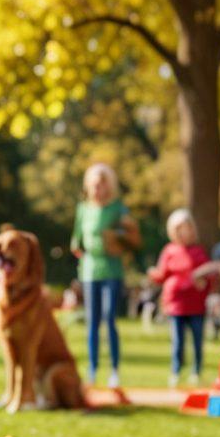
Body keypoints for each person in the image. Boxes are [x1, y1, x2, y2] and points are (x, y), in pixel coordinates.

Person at [70, 163, 140, 388]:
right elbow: (76, 239)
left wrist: (118, 236)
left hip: (112, 270)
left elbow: (132, 236)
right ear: (88, 186)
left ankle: (114, 371)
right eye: (94, 185)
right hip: (90, 270)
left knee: (109, 319)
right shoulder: (83, 209)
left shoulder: (118, 208)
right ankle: (92, 370)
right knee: (92, 322)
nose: (98, 189)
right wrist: (78, 249)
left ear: (109, 186)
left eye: (102, 184)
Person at [149, 208, 211, 387]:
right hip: (176, 303)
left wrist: (203, 282)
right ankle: (175, 371)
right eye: (178, 229)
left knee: (197, 339)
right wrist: (154, 274)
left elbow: (208, 276)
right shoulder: (169, 251)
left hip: (195, 304)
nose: (183, 233)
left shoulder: (198, 252)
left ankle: (196, 371)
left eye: (186, 228)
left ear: (192, 229)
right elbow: (162, 274)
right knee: (178, 340)